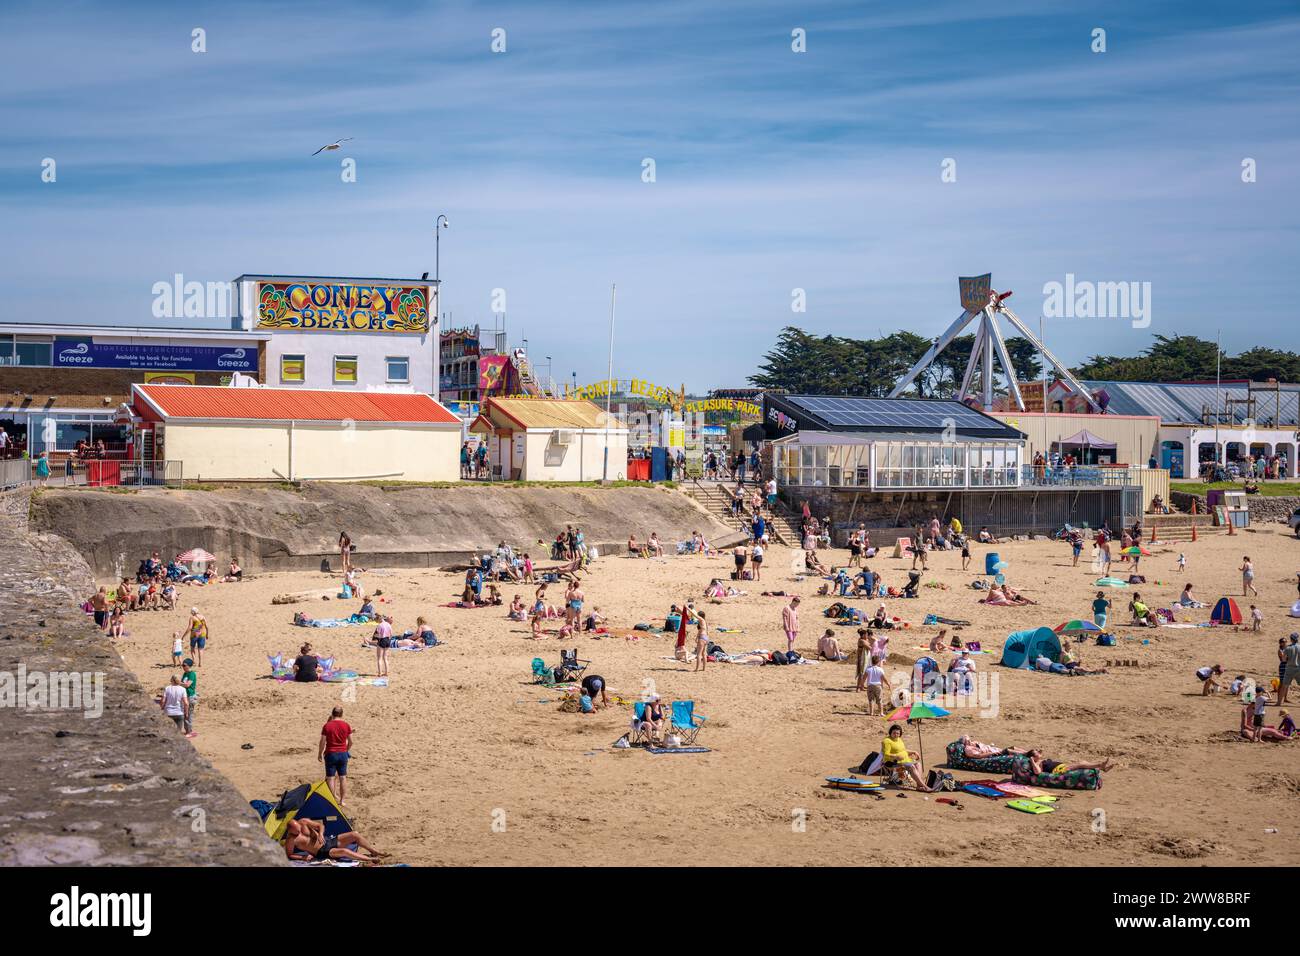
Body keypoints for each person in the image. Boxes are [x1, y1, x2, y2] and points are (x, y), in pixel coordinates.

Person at [881, 724, 932, 791]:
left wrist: (913, 752)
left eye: (898, 733)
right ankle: (924, 786)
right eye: (894, 733)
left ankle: (918, 786)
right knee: (911, 766)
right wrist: (895, 756)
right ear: (890, 732)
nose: (896, 735)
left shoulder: (899, 739)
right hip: (891, 762)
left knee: (918, 764)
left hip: (904, 761)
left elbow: (903, 750)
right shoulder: (887, 741)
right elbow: (886, 754)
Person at [320, 706, 353, 804]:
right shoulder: (346, 725)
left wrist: (319, 753)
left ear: (332, 714)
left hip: (331, 753)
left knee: (330, 777)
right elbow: (351, 741)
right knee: (343, 777)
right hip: (342, 754)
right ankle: (342, 801)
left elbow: (322, 742)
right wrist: (346, 750)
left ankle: (332, 801)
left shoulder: (327, 726)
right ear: (341, 714)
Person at [1025, 749, 1113, 775]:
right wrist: (1032, 761)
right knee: (1081, 764)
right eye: (1036, 752)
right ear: (1033, 757)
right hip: (1059, 771)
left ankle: (1103, 768)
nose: (1039, 752)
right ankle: (1100, 765)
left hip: (1063, 766)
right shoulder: (1036, 763)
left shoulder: (1040, 760)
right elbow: (1037, 772)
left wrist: (1039, 753)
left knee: (1083, 761)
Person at [180, 659, 198, 737]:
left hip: (190, 696)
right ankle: (188, 730)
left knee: (188, 714)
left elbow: (187, 685)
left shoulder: (192, 674)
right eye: (182, 665)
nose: (183, 667)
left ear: (189, 666)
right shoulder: (185, 673)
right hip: (185, 696)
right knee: (186, 713)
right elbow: (183, 684)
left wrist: (178, 682)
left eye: (184, 665)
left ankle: (188, 732)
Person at [1280, 633, 1300, 706]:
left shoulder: (1288, 648)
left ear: (1291, 639)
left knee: (1284, 685)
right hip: (1298, 668)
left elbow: (1283, 659)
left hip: (1289, 668)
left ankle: (1279, 702)